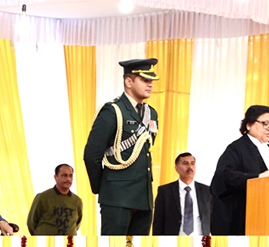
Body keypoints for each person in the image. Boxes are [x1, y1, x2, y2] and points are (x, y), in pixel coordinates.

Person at [83, 58, 159, 235]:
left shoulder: (151, 113)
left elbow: (146, 149)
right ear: (129, 81)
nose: (150, 85)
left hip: (143, 196)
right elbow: (91, 154)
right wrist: (102, 187)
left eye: (151, 81)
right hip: (117, 197)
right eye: (145, 80)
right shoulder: (112, 110)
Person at [210, 105, 269, 235]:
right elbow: (225, 175)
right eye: (265, 124)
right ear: (248, 125)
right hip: (246, 212)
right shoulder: (236, 148)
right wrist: (258, 178)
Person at [152, 152, 212, 235]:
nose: (190, 167)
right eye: (185, 163)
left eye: (192, 163)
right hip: (173, 241)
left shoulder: (206, 191)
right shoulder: (165, 191)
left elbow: (213, 218)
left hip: (201, 241)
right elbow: (158, 223)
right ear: (177, 168)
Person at [27, 164, 83, 235]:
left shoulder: (77, 201)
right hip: (46, 243)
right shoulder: (43, 197)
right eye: (64, 175)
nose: (68, 179)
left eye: (70, 176)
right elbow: (31, 223)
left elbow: (77, 224)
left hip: (68, 243)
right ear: (56, 177)